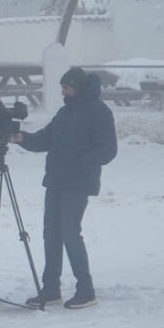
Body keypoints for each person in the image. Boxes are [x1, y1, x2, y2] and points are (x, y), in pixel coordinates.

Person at [11, 67, 118, 310]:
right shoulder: (65, 111)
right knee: (51, 234)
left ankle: (86, 291)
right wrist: (22, 139)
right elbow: (45, 139)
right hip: (56, 181)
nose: (63, 91)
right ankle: (50, 290)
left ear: (78, 87)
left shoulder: (99, 112)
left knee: (70, 233)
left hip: (78, 183)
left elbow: (108, 150)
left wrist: (81, 161)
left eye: (66, 87)